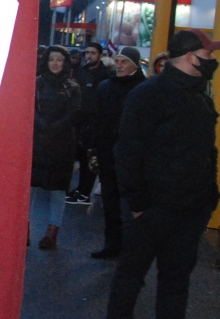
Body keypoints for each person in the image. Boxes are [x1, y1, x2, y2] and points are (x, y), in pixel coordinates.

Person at [104, 29, 220, 319]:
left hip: (191, 208)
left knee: (176, 282)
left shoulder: (200, 97)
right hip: (154, 208)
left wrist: (210, 194)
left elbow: (209, 150)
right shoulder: (150, 94)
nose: (213, 60)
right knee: (132, 275)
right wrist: (139, 203)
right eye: (209, 54)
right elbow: (126, 151)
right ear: (192, 57)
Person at [89, 47, 146, 259]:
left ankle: (133, 249)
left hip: (133, 158)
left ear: (135, 64)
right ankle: (112, 245)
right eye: (118, 61)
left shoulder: (144, 88)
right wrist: (94, 146)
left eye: (124, 62)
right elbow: (96, 117)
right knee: (110, 202)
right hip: (108, 154)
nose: (119, 65)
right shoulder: (105, 86)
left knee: (131, 204)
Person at [31, 46, 81, 249]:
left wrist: (55, 127)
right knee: (31, 187)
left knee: (58, 189)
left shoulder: (73, 87)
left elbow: (75, 113)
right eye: (51, 59)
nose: (54, 63)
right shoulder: (35, 84)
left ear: (65, 63)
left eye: (59, 60)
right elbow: (29, 108)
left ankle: (52, 232)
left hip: (62, 144)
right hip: (37, 141)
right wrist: (42, 124)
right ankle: (22, 230)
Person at [69, 41, 110, 205]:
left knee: (90, 158)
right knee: (81, 157)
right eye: (87, 53)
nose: (89, 56)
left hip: (94, 122)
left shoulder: (104, 75)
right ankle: (79, 189)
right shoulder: (82, 72)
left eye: (92, 53)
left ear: (99, 55)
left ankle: (85, 191)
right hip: (80, 121)